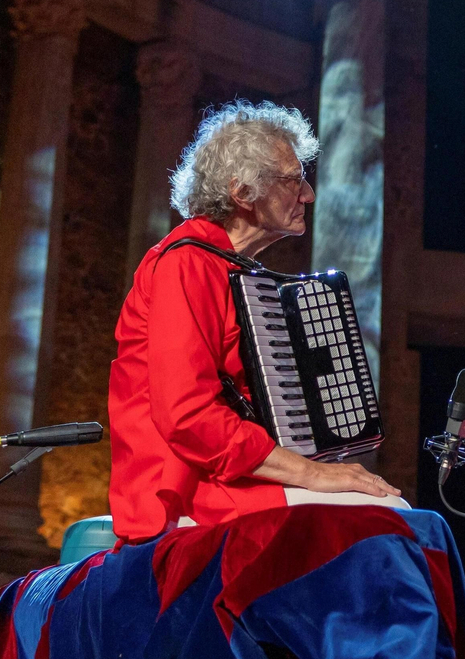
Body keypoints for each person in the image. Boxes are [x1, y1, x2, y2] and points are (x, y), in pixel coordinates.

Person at [107, 100, 401, 543]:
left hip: (230, 476)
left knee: (388, 511)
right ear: (242, 193)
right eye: (292, 180)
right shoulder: (186, 263)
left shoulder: (235, 272)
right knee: (386, 518)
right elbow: (188, 417)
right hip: (189, 492)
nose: (308, 194)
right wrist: (310, 474)